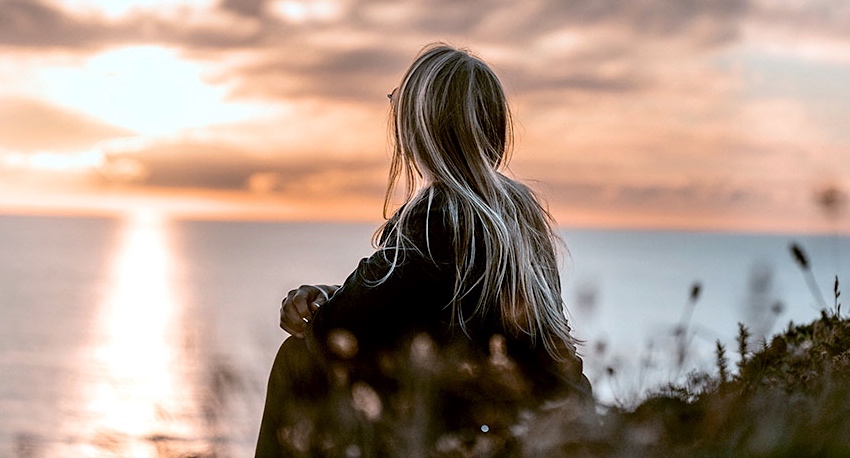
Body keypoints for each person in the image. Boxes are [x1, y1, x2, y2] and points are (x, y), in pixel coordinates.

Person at [255, 43, 592, 457]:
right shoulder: (518, 214)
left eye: (399, 104)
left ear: (419, 129)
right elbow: (414, 307)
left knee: (298, 358)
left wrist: (322, 308)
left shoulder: (440, 216)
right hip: (544, 418)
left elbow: (337, 330)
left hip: (480, 433)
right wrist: (330, 293)